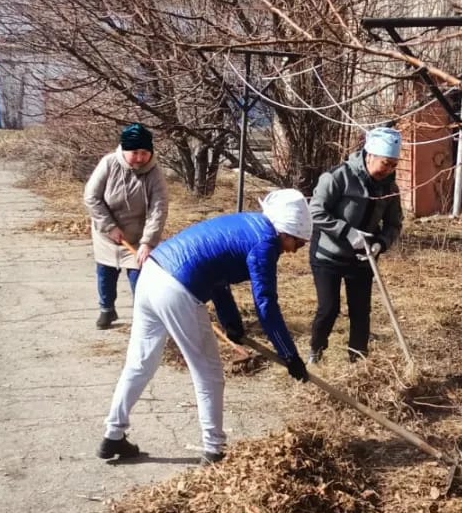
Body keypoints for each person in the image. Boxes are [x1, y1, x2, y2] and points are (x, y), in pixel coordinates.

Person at [97, 188, 312, 465]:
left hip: (152, 273)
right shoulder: (265, 243)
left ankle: (113, 434)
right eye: (298, 243)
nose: (295, 250)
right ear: (286, 232)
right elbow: (266, 305)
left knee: (140, 363)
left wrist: (231, 322)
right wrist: (289, 355)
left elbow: (218, 275)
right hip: (177, 288)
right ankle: (214, 450)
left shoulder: (247, 224)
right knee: (209, 373)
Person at [308, 126, 404, 362]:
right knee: (329, 309)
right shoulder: (338, 177)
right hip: (328, 255)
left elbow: (394, 224)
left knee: (361, 312)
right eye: (385, 163)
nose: (389, 170)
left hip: (363, 258)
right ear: (369, 155)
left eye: (394, 165)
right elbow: (315, 212)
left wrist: (381, 243)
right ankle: (315, 352)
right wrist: (347, 232)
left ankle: (358, 361)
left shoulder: (389, 189)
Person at [83, 123, 169, 329]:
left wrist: (148, 242)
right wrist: (109, 226)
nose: (140, 158)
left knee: (139, 276)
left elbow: (158, 209)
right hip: (107, 232)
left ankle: (142, 316)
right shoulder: (109, 163)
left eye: (144, 153)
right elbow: (91, 197)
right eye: (135, 153)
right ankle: (107, 309)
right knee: (106, 272)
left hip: (138, 235)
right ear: (124, 149)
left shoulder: (155, 173)